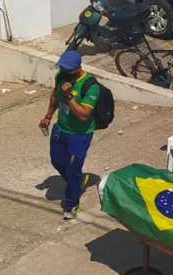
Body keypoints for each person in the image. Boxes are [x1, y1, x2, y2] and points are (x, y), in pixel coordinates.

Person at [39, 51, 100, 220]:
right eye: (62, 68)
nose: (64, 72)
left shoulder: (91, 86)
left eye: (68, 69)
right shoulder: (61, 77)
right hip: (61, 129)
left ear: (78, 68)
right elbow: (54, 96)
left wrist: (70, 96)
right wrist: (48, 116)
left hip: (79, 135)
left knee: (73, 171)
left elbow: (83, 115)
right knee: (56, 160)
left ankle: (72, 204)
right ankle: (77, 180)